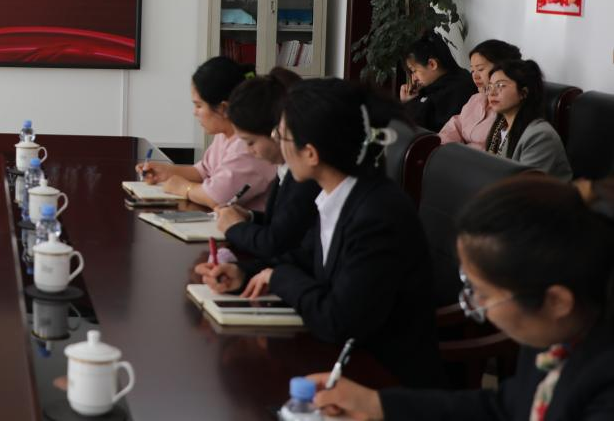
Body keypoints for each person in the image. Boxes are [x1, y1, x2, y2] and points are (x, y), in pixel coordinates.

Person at [195, 79, 444, 388]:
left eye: (281, 135)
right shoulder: (342, 193)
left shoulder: (377, 214)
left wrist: (278, 277)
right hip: (346, 362)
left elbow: (337, 320)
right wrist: (244, 273)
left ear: (311, 153)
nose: (275, 140)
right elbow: (306, 256)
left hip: (384, 381)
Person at [309, 176, 614, 420]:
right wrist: (377, 404)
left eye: (483, 294)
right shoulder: (552, 333)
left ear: (557, 302)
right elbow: (504, 407)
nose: (474, 307)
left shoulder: (604, 386)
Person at [137, 57, 275, 210]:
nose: (195, 113)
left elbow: (217, 197)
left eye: (199, 105)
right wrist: (167, 172)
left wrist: (185, 188)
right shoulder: (224, 135)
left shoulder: (248, 145)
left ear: (223, 109)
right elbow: (203, 171)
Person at [212, 68, 321, 261]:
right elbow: (284, 227)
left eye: (251, 142)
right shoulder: (285, 169)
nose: (248, 151)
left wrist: (235, 227)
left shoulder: (304, 177)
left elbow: (275, 244)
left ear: (277, 132)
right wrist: (250, 217)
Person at [483, 59, 572, 180]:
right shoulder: (500, 125)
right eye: (489, 86)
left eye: (500, 85)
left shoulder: (540, 135)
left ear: (524, 93)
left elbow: (525, 186)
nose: (492, 93)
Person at [438, 40, 522, 151]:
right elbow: (456, 125)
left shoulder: (510, 107)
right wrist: (441, 148)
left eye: (480, 69)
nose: (475, 76)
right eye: (472, 70)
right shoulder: (476, 99)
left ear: (501, 68)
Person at [399, 32, 477, 132]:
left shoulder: (456, 91)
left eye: (414, 71)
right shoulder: (452, 80)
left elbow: (416, 129)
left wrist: (408, 103)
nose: (413, 78)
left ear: (432, 64)